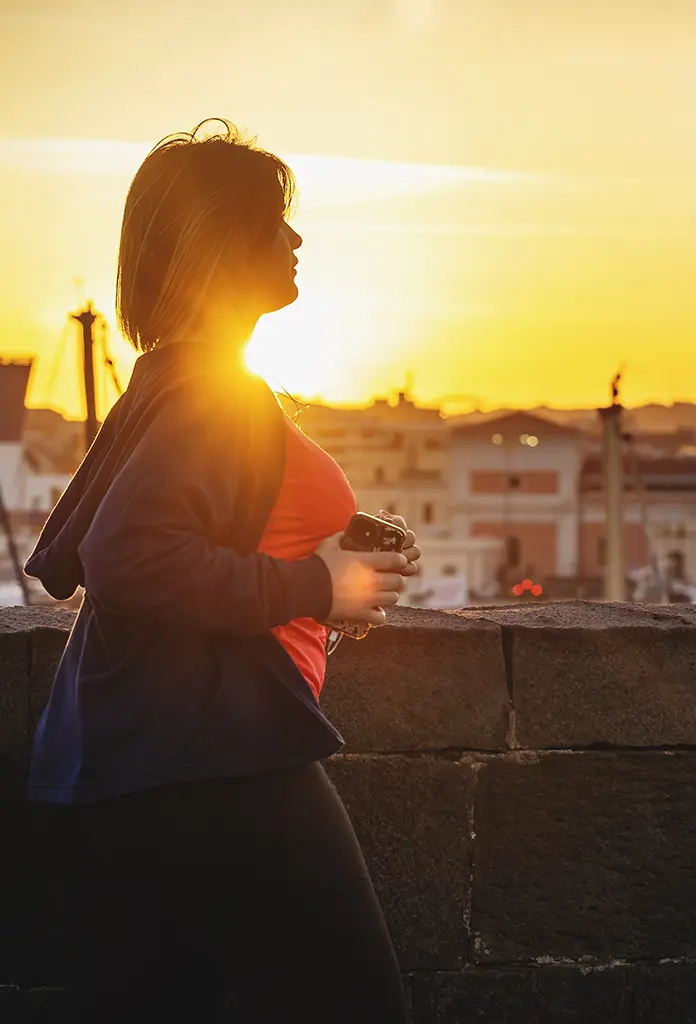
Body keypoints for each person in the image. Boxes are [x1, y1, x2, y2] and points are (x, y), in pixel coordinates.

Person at [24, 120, 417, 1023]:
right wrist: (320, 587)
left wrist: (339, 550)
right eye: (273, 221)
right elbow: (128, 557)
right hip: (216, 763)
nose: (295, 238)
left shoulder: (172, 375)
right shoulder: (213, 391)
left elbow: (172, 527)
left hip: (139, 768)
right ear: (220, 246)